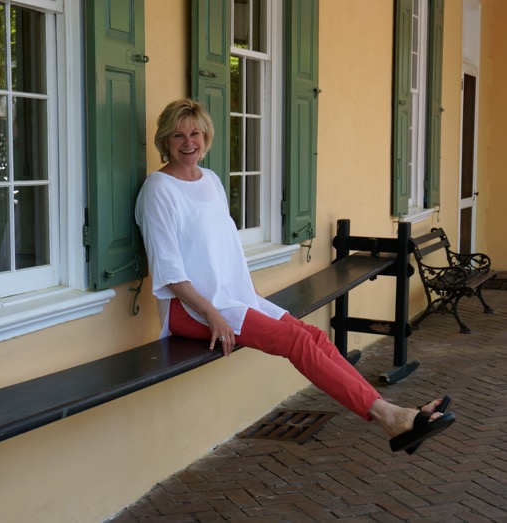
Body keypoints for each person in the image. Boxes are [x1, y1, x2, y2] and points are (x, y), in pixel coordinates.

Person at [135, 98, 456, 454]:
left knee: (313, 336)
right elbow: (170, 271)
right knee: (299, 343)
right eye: (178, 135)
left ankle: (393, 416)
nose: (188, 142)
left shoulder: (210, 180)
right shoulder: (159, 190)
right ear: (165, 140)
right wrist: (213, 315)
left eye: (194, 132)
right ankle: (391, 418)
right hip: (192, 310)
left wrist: (250, 297)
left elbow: (224, 250)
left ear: (206, 135)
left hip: (232, 298)